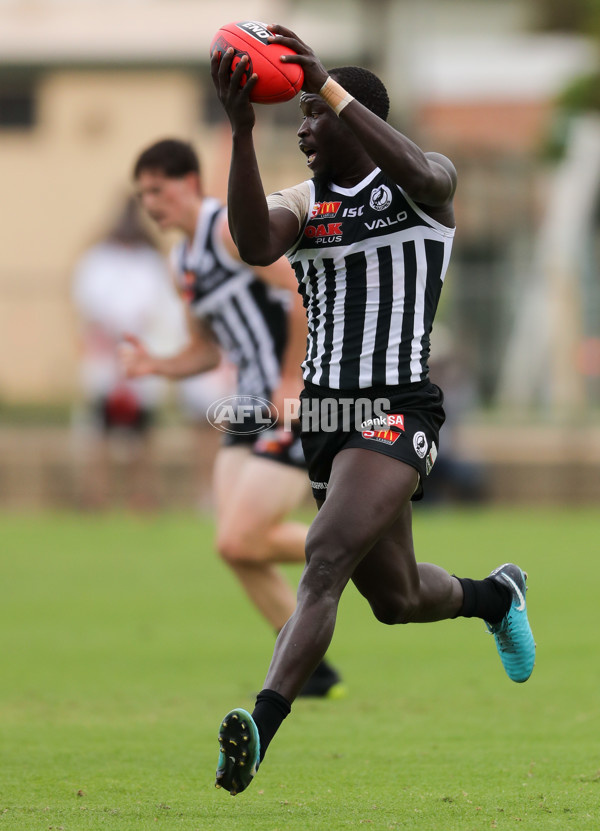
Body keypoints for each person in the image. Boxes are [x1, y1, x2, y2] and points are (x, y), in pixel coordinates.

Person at [210, 24, 536, 796]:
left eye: (311, 120)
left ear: (349, 114)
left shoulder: (426, 189)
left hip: (397, 409)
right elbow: (255, 244)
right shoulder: (304, 200)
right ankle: (496, 594)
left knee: (323, 558)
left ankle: (261, 722)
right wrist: (243, 132)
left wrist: (324, 83)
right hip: (326, 417)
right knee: (395, 598)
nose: (304, 132)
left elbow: (423, 168)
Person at [122, 138, 344, 697]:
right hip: (247, 408)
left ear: (190, 183)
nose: (151, 202)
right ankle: (314, 670)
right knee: (235, 545)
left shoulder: (225, 231)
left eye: (159, 189)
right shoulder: (181, 262)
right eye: (142, 193)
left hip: (293, 402)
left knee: (243, 536)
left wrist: (292, 378)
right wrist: (158, 365)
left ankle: (360, 543)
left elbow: (297, 294)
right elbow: (207, 350)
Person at [72, 194, 180, 509]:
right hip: (105, 359)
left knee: (142, 436)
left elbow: (162, 311)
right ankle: (96, 496)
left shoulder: (150, 262)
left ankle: (142, 497)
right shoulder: (98, 260)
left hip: (141, 356)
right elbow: (88, 307)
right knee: (99, 434)